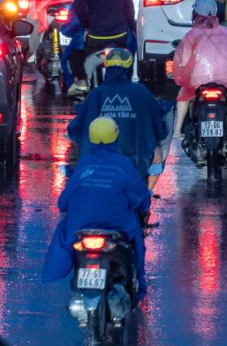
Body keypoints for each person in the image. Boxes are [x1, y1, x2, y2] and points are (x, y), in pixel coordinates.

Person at [41, 118, 152, 297]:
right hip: (118, 225)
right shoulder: (123, 164)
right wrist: (143, 205)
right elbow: (140, 196)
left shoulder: (85, 163)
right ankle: (139, 285)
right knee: (137, 241)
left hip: (81, 226)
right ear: (116, 136)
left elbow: (63, 202)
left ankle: (57, 271)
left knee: (63, 229)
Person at [67, 48, 167, 182]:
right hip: (136, 164)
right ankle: (149, 191)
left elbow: (76, 128)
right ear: (129, 68)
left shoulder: (96, 94)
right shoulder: (140, 92)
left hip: (96, 165)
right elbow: (158, 122)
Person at [172, 0, 227, 140]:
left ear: (195, 14)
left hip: (197, 82)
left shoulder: (191, 35)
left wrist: (181, 80)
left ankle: (177, 130)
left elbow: (182, 61)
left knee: (183, 96)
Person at [69, 0, 136, 97]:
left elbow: (79, 9)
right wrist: (131, 29)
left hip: (96, 38)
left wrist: (87, 26)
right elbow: (129, 12)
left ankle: (82, 82)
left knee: (74, 53)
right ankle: (129, 80)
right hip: (119, 36)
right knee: (131, 52)